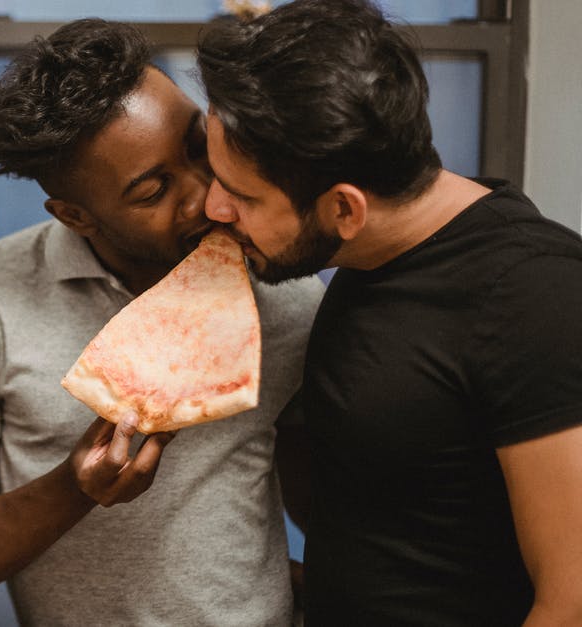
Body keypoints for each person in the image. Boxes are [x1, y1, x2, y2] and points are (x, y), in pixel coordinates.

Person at [0, 18, 325, 626]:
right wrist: (75, 490)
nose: (207, 196)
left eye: (199, 148)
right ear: (76, 215)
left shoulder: (288, 297)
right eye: (154, 191)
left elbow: (326, 512)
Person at [197, 1, 582, 625]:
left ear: (345, 210)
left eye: (241, 194)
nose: (213, 207)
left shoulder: (535, 298)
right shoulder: (371, 256)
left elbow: (572, 601)